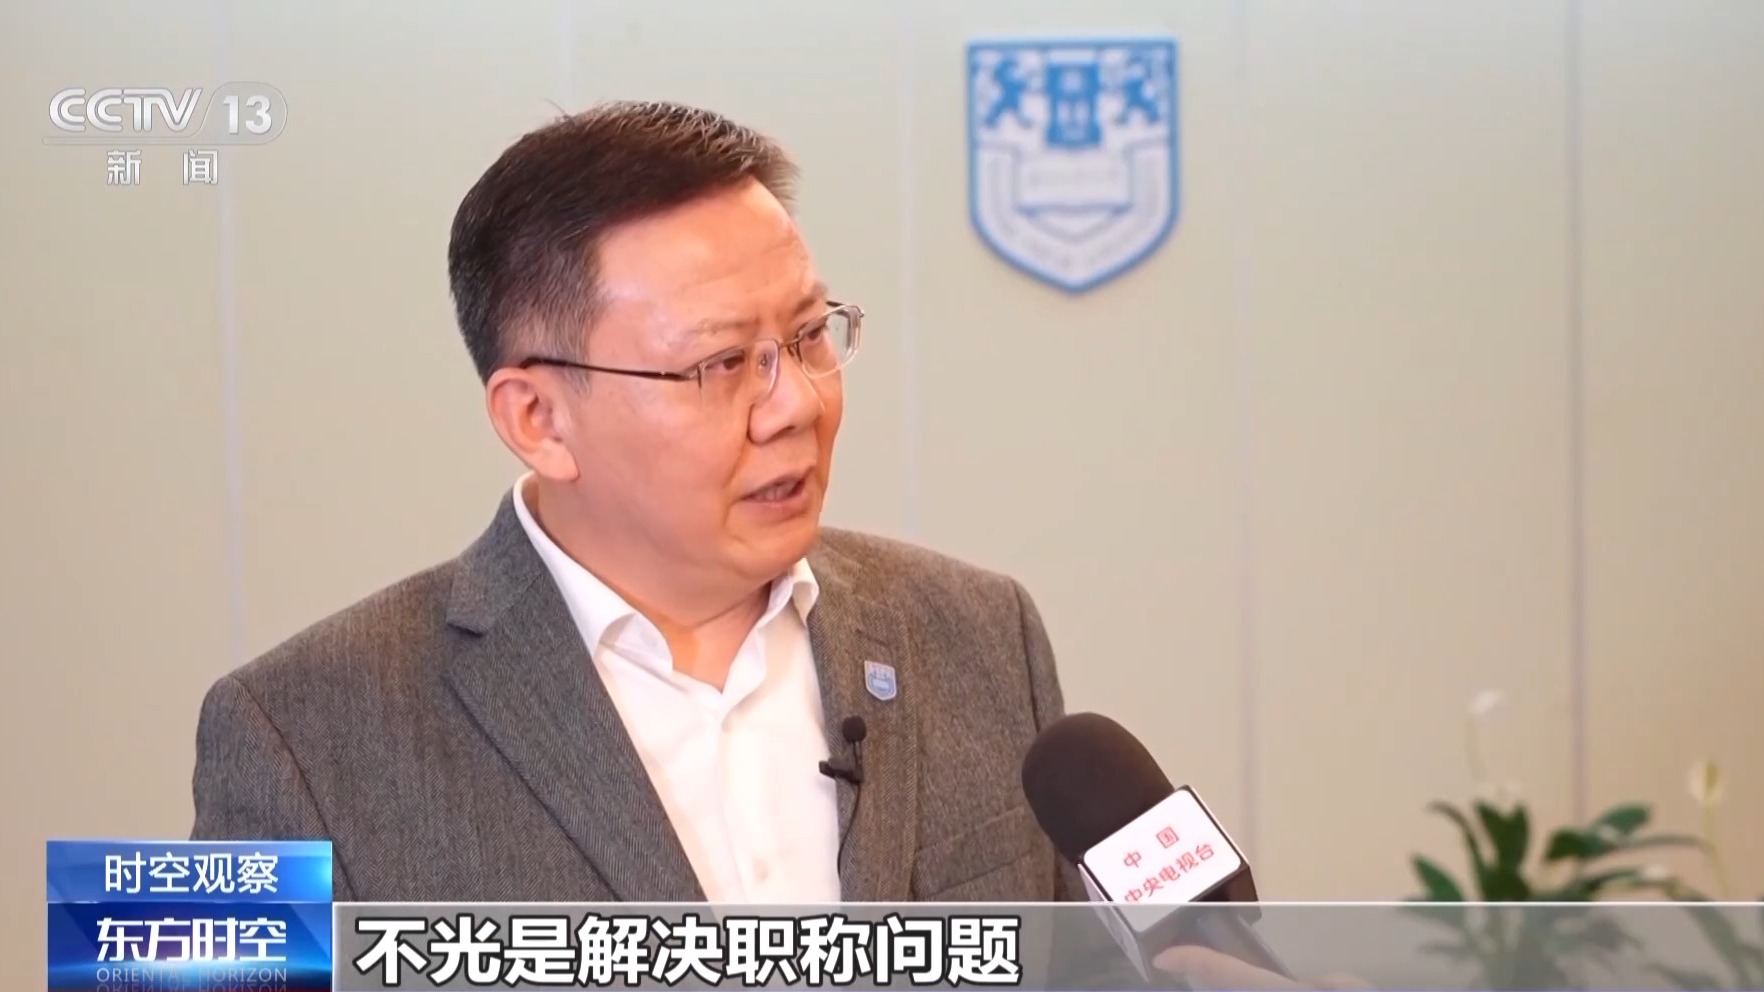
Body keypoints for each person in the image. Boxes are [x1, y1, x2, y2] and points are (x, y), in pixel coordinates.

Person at [189, 100, 1076, 907]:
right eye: (721, 364)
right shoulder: (300, 735)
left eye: (810, 335)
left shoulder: (979, 633)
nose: (797, 404)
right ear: (538, 419)